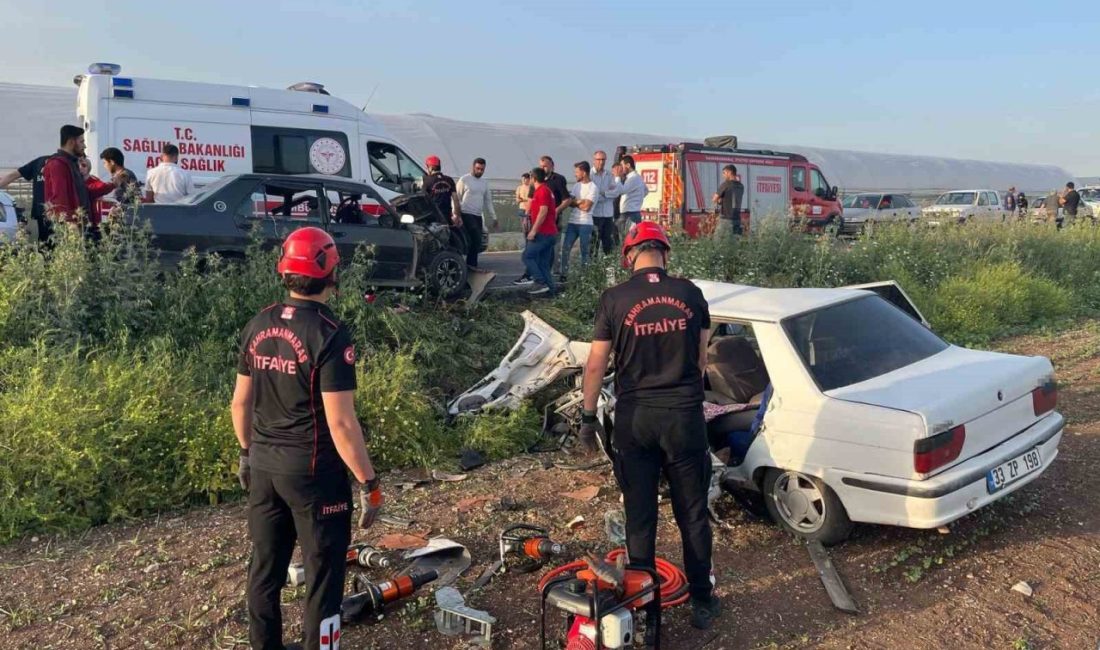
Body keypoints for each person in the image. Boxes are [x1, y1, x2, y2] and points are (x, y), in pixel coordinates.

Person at [233, 227, 382, 650]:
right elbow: (341, 424)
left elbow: (240, 404)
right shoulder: (330, 333)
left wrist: (246, 454)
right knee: (324, 576)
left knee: (264, 570)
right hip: (315, 473)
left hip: (263, 467)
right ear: (331, 273)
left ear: (284, 272)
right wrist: (369, 483)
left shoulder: (258, 323)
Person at [579, 221, 720, 631]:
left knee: (640, 516)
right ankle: (702, 601)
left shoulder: (615, 299)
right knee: (692, 514)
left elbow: (595, 364)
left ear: (629, 257)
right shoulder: (690, 294)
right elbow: (700, 359)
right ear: (665, 253)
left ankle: (645, 609)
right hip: (683, 418)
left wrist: (588, 421)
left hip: (636, 421)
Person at [43, 124, 115, 226]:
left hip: (80, 223)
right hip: (68, 228)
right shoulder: (58, 164)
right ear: (71, 142)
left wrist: (112, 184)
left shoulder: (72, 164)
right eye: (81, 142)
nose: (84, 146)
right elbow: (59, 198)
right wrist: (69, 223)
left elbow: (84, 193)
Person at [556, 161, 598, 278]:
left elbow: (586, 207)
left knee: (585, 250)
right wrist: (579, 201)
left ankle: (584, 275)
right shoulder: (576, 186)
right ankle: (564, 274)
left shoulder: (593, 188)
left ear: (584, 173)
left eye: (577, 172)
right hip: (573, 222)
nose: (575, 175)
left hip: (585, 223)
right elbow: (570, 202)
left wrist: (576, 202)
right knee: (566, 248)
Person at [521, 167, 558, 296]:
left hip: (544, 233)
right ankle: (551, 292)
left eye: (530, 178)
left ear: (534, 178)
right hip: (549, 233)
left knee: (527, 256)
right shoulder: (545, 191)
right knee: (543, 264)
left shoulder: (542, 191)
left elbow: (543, 212)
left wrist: (533, 231)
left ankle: (540, 282)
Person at [456, 157, 498, 269]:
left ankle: (471, 265)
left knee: (477, 241)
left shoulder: (484, 183)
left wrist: (494, 217)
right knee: (474, 236)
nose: (480, 171)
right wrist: (456, 214)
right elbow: (456, 198)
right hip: (466, 213)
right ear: (473, 167)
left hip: (478, 215)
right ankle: (468, 264)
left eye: (482, 169)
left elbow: (488, 200)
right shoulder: (464, 179)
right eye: (478, 169)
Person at [0, 153, 50, 242]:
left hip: (54, 213)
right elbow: (13, 175)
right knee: (46, 243)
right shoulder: (40, 162)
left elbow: (13, 175)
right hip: (44, 212)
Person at [590, 150, 621, 255]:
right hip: (595, 215)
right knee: (594, 245)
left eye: (603, 159)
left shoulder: (609, 175)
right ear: (594, 160)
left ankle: (608, 269)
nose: (601, 162)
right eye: (598, 159)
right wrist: (607, 194)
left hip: (608, 215)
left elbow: (617, 192)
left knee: (608, 245)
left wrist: (604, 193)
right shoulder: (590, 175)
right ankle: (592, 269)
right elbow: (593, 197)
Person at [421, 155, 462, 229]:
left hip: (434, 217)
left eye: (427, 167)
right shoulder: (449, 180)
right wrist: (457, 216)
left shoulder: (427, 181)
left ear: (430, 168)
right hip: (447, 216)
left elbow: (423, 200)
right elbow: (456, 200)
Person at [99, 147, 140, 216]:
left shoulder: (126, 175)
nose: (104, 166)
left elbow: (135, 198)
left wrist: (120, 207)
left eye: (105, 163)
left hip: (125, 218)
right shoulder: (118, 175)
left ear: (112, 162)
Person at [711, 164, 745, 238]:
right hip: (737, 219)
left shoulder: (726, 184)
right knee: (734, 243)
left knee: (718, 241)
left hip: (726, 219)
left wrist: (719, 200)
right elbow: (731, 198)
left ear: (729, 172)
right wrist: (721, 200)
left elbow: (714, 199)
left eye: (724, 173)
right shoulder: (741, 186)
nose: (723, 175)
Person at [617, 155, 649, 227]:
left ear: (628, 165)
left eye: (622, 165)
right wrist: (636, 197)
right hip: (634, 213)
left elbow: (622, 191)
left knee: (623, 235)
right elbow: (646, 191)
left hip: (629, 214)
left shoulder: (633, 178)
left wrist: (617, 177)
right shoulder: (637, 177)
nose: (621, 168)